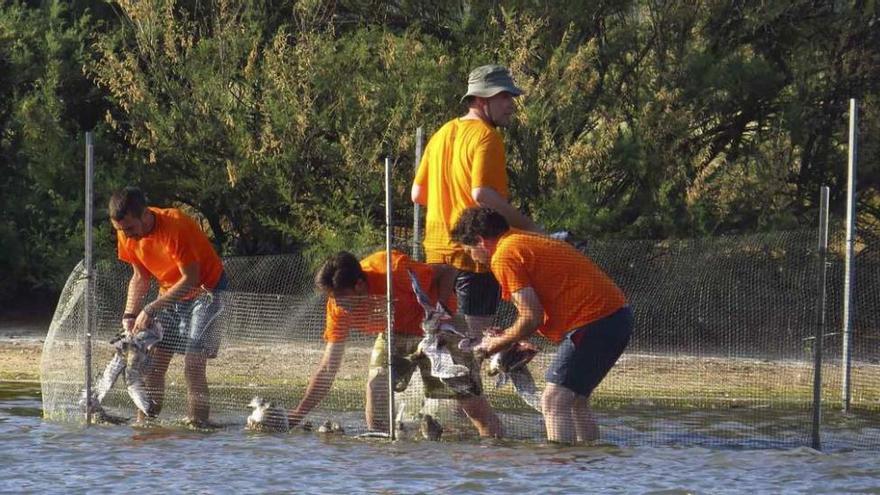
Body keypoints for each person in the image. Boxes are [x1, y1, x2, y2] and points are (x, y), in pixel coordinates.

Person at [451, 207, 633, 443]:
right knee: (575, 401)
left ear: (480, 241)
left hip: (596, 320)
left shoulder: (504, 254)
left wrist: (490, 347)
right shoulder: (520, 240)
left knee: (553, 400)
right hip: (615, 317)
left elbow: (530, 318)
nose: (472, 257)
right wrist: (508, 335)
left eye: (468, 250)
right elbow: (539, 310)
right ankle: (586, 468)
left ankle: (558, 472)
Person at [289, 250, 502, 437]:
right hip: (393, 334)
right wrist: (297, 414)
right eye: (334, 299)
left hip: (437, 330)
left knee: (471, 403)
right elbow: (327, 367)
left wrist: (440, 311)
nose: (339, 306)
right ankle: (386, 465)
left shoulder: (393, 270)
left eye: (343, 299)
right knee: (376, 392)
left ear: (360, 284)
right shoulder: (336, 306)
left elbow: (447, 271)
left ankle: (493, 449)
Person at [411, 64, 542, 339]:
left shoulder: (442, 133)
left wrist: (448, 203)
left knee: (439, 338)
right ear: (483, 99)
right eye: (504, 97)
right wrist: (530, 227)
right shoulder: (487, 136)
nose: (511, 105)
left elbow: (417, 195)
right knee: (479, 340)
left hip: (437, 251)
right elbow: (482, 194)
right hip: (475, 252)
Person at [109, 187, 227, 427]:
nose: (126, 235)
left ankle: (198, 427)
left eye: (130, 228)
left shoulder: (175, 225)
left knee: (193, 364)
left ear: (145, 215)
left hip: (207, 291)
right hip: (170, 294)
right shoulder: (125, 233)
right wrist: (130, 314)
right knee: (151, 366)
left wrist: (150, 309)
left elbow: (191, 279)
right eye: (121, 230)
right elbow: (140, 276)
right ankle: (145, 426)